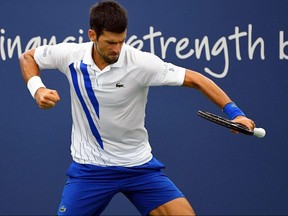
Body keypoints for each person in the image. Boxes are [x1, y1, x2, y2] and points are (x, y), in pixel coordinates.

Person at [20, 1, 256, 215]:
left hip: (138, 167)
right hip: (90, 170)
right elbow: (28, 57)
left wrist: (236, 114)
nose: (117, 49)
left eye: (122, 41)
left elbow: (196, 79)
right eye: (110, 42)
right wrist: (38, 89)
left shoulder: (140, 63)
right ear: (92, 35)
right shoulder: (70, 55)